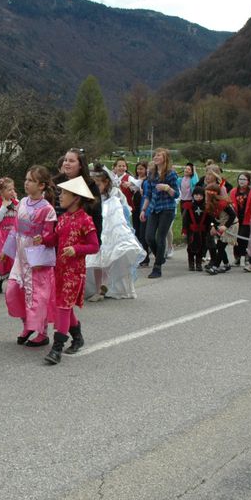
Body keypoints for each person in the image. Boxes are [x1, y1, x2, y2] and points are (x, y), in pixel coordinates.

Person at [44, 176, 100, 365]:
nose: (60, 196)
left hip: (74, 272)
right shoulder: (63, 218)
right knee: (64, 306)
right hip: (59, 269)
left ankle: (57, 348)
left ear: (76, 198)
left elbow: (94, 246)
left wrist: (76, 249)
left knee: (62, 306)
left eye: (65, 193)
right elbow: (55, 239)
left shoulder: (86, 220)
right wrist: (42, 240)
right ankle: (77, 336)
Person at [3, 165, 57, 349]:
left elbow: (51, 236)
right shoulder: (23, 202)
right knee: (13, 290)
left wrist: (44, 238)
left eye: (31, 180)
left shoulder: (47, 209)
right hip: (21, 255)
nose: (26, 183)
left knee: (37, 296)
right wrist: (6, 251)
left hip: (36, 258)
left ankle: (42, 332)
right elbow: (15, 228)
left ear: (41, 185)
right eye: (26, 179)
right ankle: (27, 325)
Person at [87, 167, 144, 299]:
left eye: (98, 184)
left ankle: (104, 285)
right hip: (97, 232)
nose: (95, 187)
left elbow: (124, 211)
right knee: (96, 261)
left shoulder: (114, 195)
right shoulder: (92, 198)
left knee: (108, 259)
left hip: (110, 232)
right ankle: (97, 289)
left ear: (106, 182)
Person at [139, 148, 179, 278]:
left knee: (160, 237)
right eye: (155, 155)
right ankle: (160, 257)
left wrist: (167, 188)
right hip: (154, 208)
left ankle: (157, 268)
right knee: (149, 237)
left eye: (159, 155)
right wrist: (144, 210)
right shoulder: (151, 174)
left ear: (165, 159)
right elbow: (148, 195)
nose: (156, 157)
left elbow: (176, 194)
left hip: (167, 209)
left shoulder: (171, 174)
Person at [0, 177, 18, 295]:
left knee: (14, 259)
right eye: (9, 189)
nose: (12, 192)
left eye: (13, 189)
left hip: (14, 235)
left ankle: (15, 284)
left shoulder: (17, 202)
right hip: (2, 236)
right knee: (1, 260)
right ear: (1, 192)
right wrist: (4, 206)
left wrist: (15, 202)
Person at [204, 184, 237, 275]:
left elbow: (233, 215)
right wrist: (212, 226)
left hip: (231, 225)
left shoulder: (222, 203)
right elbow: (212, 219)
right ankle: (226, 264)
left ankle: (215, 267)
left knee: (220, 246)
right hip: (221, 225)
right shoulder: (210, 204)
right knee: (220, 246)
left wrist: (226, 226)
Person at [230, 172, 251, 265]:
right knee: (235, 238)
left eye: (244, 179)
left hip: (247, 219)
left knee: (244, 238)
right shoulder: (233, 191)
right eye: (240, 179)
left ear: (248, 181)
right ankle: (237, 257)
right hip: (236, 218)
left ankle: (246, 257)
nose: (242, 181)